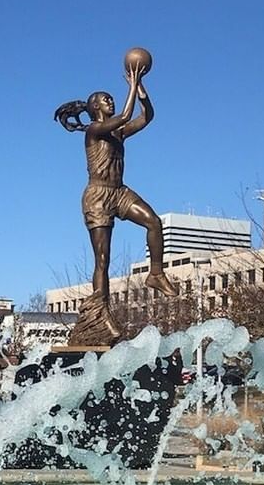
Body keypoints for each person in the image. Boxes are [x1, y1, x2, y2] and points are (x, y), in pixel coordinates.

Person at [54, 62, 178, 340]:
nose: (109, 100)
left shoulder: (118, 133)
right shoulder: (94, 131)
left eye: (111, 96)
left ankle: (155, 274)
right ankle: (99, 310)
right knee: (102, 259)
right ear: (95, 107)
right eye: (104, 99)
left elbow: (146, 117)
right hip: (98, 196)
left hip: (119, 192)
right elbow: (124, 114)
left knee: (154, 222)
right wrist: (131, 84)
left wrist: (142, 89)